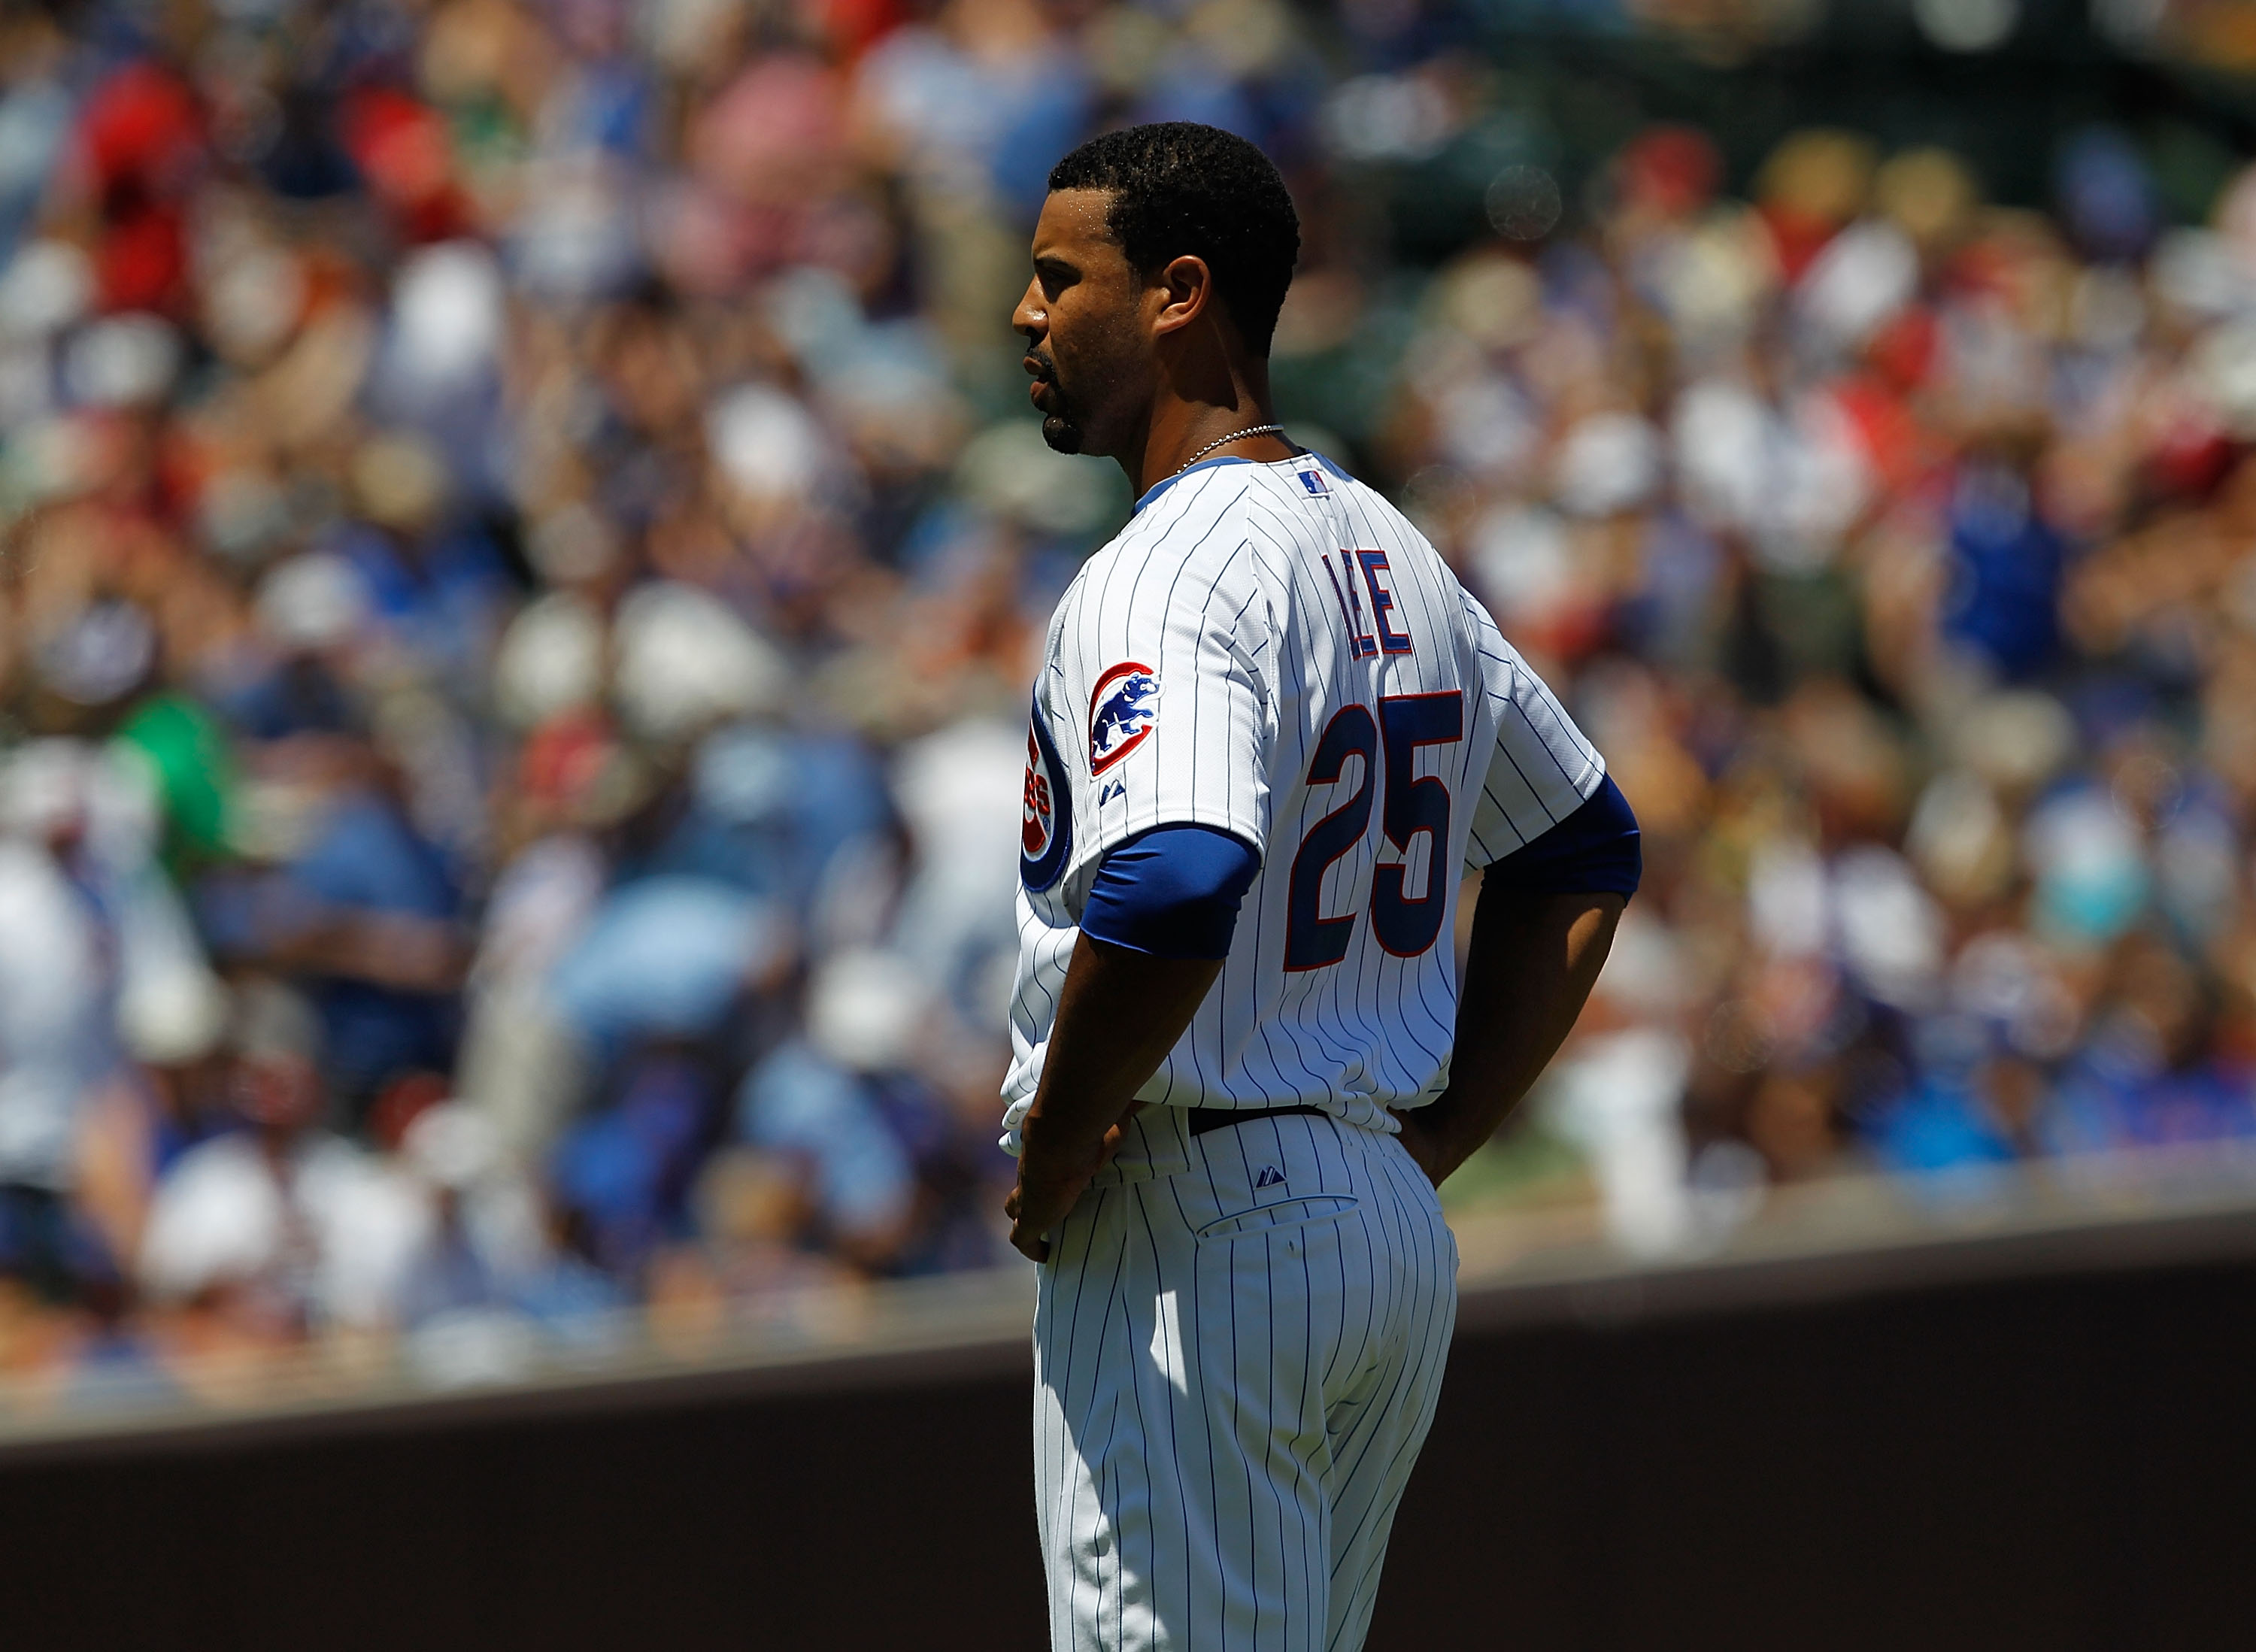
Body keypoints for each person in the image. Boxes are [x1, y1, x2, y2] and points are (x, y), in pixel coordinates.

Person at [999, 123, 1642, 1650]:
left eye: (1056, 277)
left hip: (1193, 1218)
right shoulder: (1388, 548)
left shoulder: (1166, 569)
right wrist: (1434, 1140)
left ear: (1179, 295)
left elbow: (1173, 873)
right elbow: (1579, 843)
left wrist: (1066, 1130)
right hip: (1372, 1224)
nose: (1025, 314)